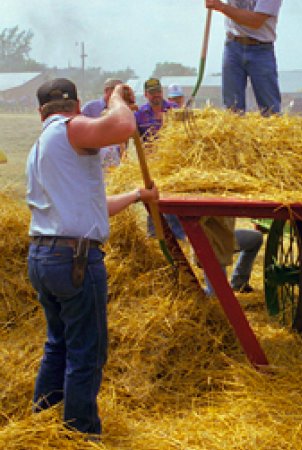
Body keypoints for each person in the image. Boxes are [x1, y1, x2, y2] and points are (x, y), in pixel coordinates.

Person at [26, 78, 158, 437]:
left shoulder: (42, 146)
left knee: (59, 345)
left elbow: (90, 210)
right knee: (87, 352)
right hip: (74, 260)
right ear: (78, 106)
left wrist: (135, 195)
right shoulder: (69, 128)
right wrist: (116, 98)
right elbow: (124, 126)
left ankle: (40, 427)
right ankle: (81, 434)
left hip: (44, 256)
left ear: (40, 112)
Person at [205, 0, 282, 115]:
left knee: (270, 109)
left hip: (261, 49)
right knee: (232, 109)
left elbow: (255, 21)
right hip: (233, 44)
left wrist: (220, 6)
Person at [134, 78, 186, 240]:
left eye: (158, 91)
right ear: (146, 94)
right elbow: (132, 136)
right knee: (153, 199)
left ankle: (178, 236)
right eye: (152, 93)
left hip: (173, 163)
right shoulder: (140, 114)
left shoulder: (174, 110)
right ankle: (154, 234)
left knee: (172, 198)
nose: (156, 95)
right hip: (151, 166)